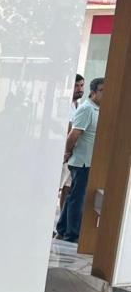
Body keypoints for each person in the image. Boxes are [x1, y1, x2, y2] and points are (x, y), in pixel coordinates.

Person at [55, 77, 104, 243]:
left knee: (73, 198)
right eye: (102, 91)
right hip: (82, 162)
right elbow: (74, 134)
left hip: (89, 162)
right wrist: (67, 152)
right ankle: (72, 234)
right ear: (94, 92)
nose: (105, 94)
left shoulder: (98, 109)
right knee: (77, 199)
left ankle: (62, 229)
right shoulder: (87, 109)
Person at [58, 74, 85, 211]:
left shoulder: (78, 105)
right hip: (64, 151)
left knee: (67, 187)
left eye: (81, 85)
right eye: (76, 86)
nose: (79, 89)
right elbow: (68, 128)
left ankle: (61, 221)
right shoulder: (65, 104)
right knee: (61, 185)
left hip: (73, 152)